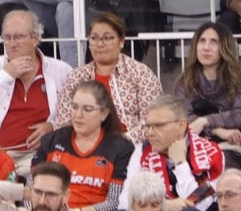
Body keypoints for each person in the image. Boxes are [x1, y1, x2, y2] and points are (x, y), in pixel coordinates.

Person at [50, 10, 169, 147]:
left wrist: (121, 142)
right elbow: (63, 123)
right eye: (94, 38)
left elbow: (152, 120)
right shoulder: (77, 77)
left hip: (130, 146)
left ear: (121, 41)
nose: (100, 44)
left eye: (107, 38)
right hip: (84, 147)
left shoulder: (140, 73)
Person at [0, 10, 70, 162]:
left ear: (36, 39)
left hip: (41, 155)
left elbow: (75, 114)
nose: (12, 44)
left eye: (19, 37)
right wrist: (5, 76)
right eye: (7, 38)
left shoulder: (61, 70)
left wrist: (53, 127)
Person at [33, 82, 133, 211]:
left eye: (87, 109)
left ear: (104, 114)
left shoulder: (121, 148)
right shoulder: (52, 140)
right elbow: (30, 188)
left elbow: (114, 203)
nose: (78, 115)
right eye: (74, 107)